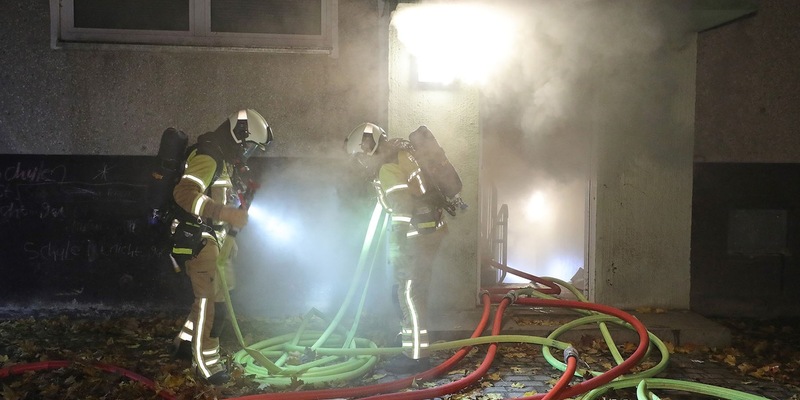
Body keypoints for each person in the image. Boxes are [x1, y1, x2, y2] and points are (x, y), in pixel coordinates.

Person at [169, 109, 273, 385]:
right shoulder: (208, 157)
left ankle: (184, 343)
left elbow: (217, 200)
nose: (248, 153)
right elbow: (184, 194)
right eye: (249, 147)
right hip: (196, 239)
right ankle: (206, 365)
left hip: (210, 237)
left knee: (214, 297)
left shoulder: (222, 160)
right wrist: (225, 214)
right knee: (213, 305)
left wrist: (227, 234)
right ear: (238, 135)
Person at [344, 122, 448, 374]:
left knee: (409, 293)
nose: (361, 162)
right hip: (428, 231)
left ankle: (416, 357)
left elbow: (401, 208)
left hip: (415, 236)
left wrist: (397, 247)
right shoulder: (400, 156)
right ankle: (410, 343)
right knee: (409, 291)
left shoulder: (388, 167)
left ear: (369, 147)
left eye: (360, 156)